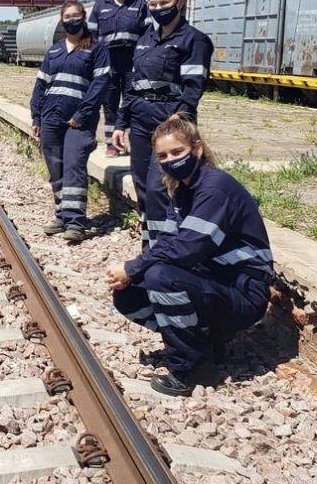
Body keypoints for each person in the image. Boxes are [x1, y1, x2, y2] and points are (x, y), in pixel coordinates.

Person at [105, 114, 272, 396]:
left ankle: (192, 369)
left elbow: (187, 249)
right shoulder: (184, 191)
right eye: (163, 155)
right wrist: (132, 275)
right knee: (129, 294)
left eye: (177, 152)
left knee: (161, 278)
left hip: (243, 291)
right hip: (214, 283)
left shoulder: (215, 187)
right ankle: (203, 342)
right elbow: (169, 242)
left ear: (197, 149)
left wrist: (133, 267)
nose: (171, 160)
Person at [112, 0, 213, 251]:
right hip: (141, 124)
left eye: (163, 2)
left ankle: (163, 249)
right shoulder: (145, 40)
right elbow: (132, 86)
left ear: (179, 2)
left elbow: (194, 88)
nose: (157, 8)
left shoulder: (194, 41)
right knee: (143, 186)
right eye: (152, 3)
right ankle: (152, 245)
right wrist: (121, 124)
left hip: (170, 126)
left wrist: (178, 120)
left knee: (160, 188)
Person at [30, 0, 111, 243]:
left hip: (79, 121)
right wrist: (36, 115)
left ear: (83, 17)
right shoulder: (54, 51)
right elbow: (40, 85)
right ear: (62, 20)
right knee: (56, 169)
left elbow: (100, 85)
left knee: (74, 166)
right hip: (51, 118)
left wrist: (81, 114)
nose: (72, 21)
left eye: (76, 16)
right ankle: (61, 216)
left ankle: (76, 221)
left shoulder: (96, 49)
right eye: (68, 17)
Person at [88, 0, 149, 156]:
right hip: (108, 60)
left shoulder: (139, 3)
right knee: (110, 101)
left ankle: (130, 140)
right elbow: (91, 34)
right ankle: (111, 144)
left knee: (132, 100)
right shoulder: (101, 5)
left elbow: (148, 33)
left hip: (132, 59)